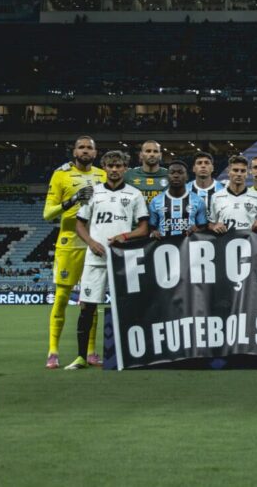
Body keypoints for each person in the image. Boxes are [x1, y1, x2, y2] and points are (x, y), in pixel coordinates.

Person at [68, 150, 149, 370]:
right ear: (104, 167)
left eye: (118, 166)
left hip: (122, 260)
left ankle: (128, 356)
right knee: (87, 308)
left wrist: (125, 236)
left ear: (125, 168)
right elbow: (79, 225)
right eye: (110, 166)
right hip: (95, 260)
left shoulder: (134, 194)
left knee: (126, 307)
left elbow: (143, 228)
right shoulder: (93, 193)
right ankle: (81, 357)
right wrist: (91, 242)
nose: (114, 169)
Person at [42, 136, 106, 370]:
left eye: (89, 148)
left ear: (95, 153)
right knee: (61, 298)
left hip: (94, 243)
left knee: (91, 299)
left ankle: (91, 351)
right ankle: (53, 351)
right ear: (74, 152)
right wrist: (71, 201)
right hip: (69, 243)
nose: (85, 151)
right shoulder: (61, 175)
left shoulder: (103, 175)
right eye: (81, 147)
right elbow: (47, 214)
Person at [208, 156, 257, 234]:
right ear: (228, 171)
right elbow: (211, 223)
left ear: (247, 173)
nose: (239, 174)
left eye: (243, 171)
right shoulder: (216, 196)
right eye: (235, 170)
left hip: (248, 241)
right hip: (224, 240)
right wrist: (214, 226)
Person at [149, 162, 208, 237]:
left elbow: (203, 227)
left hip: (189, 243)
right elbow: (151, 227)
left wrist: (197, 230)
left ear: (187, 177)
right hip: (164, 243)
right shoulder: (155, 201)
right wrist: (153, 233)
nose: (176, 175)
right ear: (167, 177)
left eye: (180, 172)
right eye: (172, 172)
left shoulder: (198, 200)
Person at [124, 140, 169, 204]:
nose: (152, 154)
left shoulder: (169, 175)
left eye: (155, 151)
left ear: (160, 155)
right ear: (141, 155)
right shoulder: (129, 175)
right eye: (148, 151)